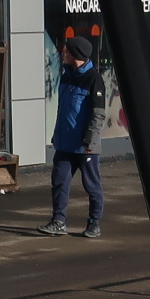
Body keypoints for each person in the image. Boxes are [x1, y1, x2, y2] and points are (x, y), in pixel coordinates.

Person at [41, 36, 103, 238]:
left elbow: (98, 114)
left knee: (91, 185)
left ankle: (94, 223)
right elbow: (64, 111)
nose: (63, 53)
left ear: (76, 54)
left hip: (85, 145)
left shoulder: (93, 79)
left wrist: (90, 141)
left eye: (66, 51)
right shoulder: (66, 76)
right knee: (59, 182)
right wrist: (56, 136)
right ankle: (58, 222)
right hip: (64, 144)